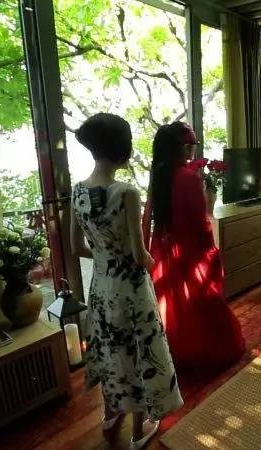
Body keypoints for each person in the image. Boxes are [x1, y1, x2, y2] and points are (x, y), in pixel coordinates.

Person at [70, 113, 182, 449]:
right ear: (123, 148)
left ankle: (109, 414)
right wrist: (150, 260)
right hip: (131, 289)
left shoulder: (77, 191)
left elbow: (76, 247)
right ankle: (136, 433)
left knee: (110, 348)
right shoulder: (127, 192)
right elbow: (138, 254)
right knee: (139, 352)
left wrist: (104, 257)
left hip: (101, 287)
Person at [143, 122, 245, 370]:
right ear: (178, 148)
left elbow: (147, 216)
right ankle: (205, 350)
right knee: (202, 300)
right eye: (189, 144)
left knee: (171, 301)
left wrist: (146, 248)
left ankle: (174, 351)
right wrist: (211, 251)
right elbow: (201, 222)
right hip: (189, 249)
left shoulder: (158, 175)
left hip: (163, 248)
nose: (193, 149)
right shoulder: (188, 178)